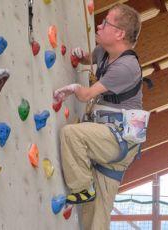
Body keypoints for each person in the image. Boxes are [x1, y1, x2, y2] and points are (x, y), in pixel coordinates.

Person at [53, 4, 143, 230]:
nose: (99, 26)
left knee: (72, 135)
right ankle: (87, 191)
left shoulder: (127, 67)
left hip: (120, 138)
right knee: (94, 218)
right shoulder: (104, 52)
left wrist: (73, 87)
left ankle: (82, 188)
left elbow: (85, 95)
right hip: (109, 135)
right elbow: (89, 59)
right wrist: (80, 56)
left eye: (105, 23)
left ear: (119, 33)